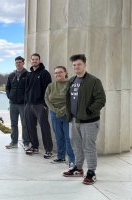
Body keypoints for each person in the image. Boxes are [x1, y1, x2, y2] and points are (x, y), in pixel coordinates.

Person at [63, 54, 106, 185]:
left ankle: (91, 172)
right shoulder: (71, 81)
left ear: (85, 65)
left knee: (89, 146)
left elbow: (101, 100)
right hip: (74, 120)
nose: (76, 67)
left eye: (79, 64)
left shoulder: (94, 81)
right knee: (76, 145)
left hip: (89, 121)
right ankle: (78, 168)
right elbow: (69, 99)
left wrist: (88, 111)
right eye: (74, 65)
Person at [24, 53, 54, 159]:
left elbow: (48, 90)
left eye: (36, 59)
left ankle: (49, 150)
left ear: (39, 61)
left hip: (40, 105)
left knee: (44, 127)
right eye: (33, 59)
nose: (34, 61)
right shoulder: (29, 74)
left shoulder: (45, 73)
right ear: (31, 61)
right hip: (29, 105)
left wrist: (45, 104)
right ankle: (35, 147)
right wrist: (27, 102)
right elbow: (26, 90)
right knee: (31, 127)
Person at [45, 66, 75, 166]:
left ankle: (72, 160)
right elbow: (46, 99)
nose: (58, 74)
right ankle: (61, 157)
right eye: (56, 73)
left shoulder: (71, 85)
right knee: (58, 137)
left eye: (60, 72)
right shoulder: (51, 86)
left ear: (65, 73)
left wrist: (62, 110)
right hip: (54, 114)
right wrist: (55, 110)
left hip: (67, 114)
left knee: (68, 138)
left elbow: (73, 100)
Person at [5, 56, 30, 149]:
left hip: (23, 104)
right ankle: (14, 141)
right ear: (15, 64)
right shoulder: (11, 75)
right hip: (13, 103)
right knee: (13, 124)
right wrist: (9, 96)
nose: (18, 64)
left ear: (23, 63)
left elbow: (30, 89)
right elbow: (7, 87)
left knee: (25, 124)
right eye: (17, 62)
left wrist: (26, 99)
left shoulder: (28, 75)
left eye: (20, 62)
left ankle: (26, 142)